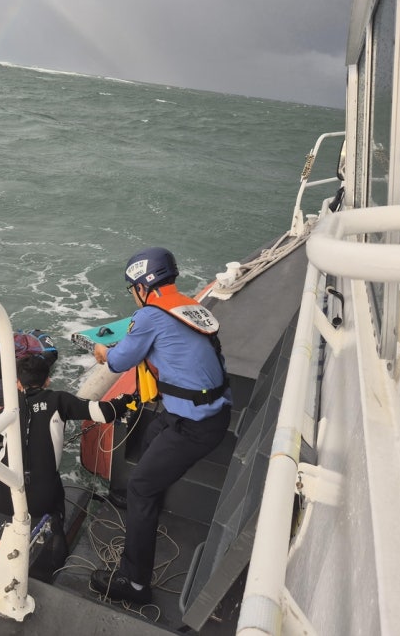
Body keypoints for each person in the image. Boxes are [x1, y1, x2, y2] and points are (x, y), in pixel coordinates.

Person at [90, 247, 232, 604]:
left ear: (142, 286)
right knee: (153, 433)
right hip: (209, 410)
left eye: (132, 289)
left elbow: (120, 361)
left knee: (141, 487)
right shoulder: (187, 304)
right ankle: (144, 492)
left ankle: (135, 583)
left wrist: (104, 352)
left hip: (195, 425)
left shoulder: (150, 316)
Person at [0, 353, 133, 579]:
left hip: (3, 498)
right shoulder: (58, 400)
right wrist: (126, 399)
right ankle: (57, 548)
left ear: (17, 384)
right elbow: (106, 412)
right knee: (52, 484)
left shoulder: (7, 411)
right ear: (47, 381)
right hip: (43, 501)